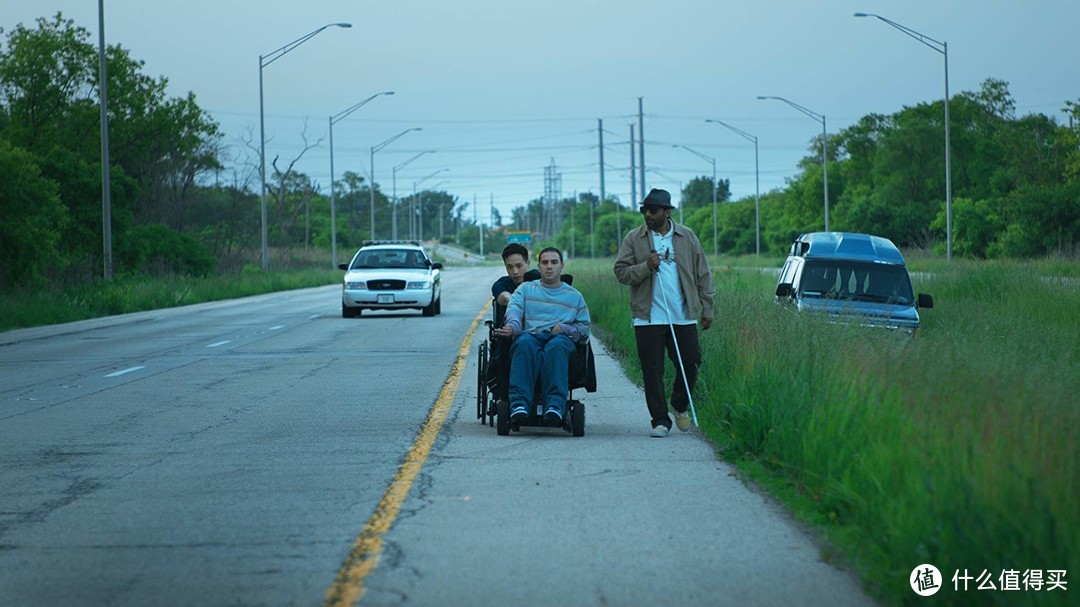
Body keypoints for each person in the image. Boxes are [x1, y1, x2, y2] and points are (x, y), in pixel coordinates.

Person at [614, 188, 715, 438]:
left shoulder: (687, 236)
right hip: (648, 317)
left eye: (653, 210)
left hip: (683, 314)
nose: (647, 214)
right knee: (652, 369)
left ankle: (680, 405)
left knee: (692, 360)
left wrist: (707, 306)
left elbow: (703, 272)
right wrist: (645, 267)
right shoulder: (634, 239)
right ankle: (660, 420)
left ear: (667, 212)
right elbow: (621, 272)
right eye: (644, 209)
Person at [494, 247, 591, 426]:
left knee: (557, 347)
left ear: (562, 266)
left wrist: (564, 328)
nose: (549, 267)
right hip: (531, 335)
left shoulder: (574, 296)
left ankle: (554, 405)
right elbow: (514, 311)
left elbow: (584, 330)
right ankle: (520, 404)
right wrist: (513, 327)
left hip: (560, 339)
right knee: (524, 343)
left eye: (554, 262)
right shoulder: (525, 289)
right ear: (538, 267)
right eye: (545, 263)